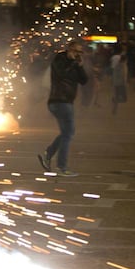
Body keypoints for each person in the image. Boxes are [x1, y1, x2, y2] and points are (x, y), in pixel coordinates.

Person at [37, 40, 88, 177]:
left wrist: (80, 66)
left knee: (67, 132)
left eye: (80, 52)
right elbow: (61, 73)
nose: (78, 54)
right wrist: (72, 63)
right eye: (76, 51)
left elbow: (84, 80)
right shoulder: (60, 59)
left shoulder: (75, 64)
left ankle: (49, 154)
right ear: (69, 49)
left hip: (67, 102)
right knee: (68, 133)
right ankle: (62, 166)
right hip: (59, 101)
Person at [110, 44, 128, 115]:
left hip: (115, 80)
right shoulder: (122, 63)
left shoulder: (114, 58)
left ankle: (115, 106)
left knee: (117, 95)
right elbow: (124, 74)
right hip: (120, 82)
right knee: (123, 98)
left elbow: (112, 68)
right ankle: (115, 102)